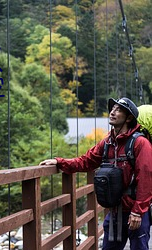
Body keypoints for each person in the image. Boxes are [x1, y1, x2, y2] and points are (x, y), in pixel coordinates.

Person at [39, 97, 152, 250]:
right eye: (112, 109)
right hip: (115, 211)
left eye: (118, 110)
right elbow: (86, 161)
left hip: (135, 211)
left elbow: (146, 178)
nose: (112, 112)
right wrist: (59, 162)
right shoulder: (107, 143)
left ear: (129, 118)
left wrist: (138, 212)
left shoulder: (140, 143)